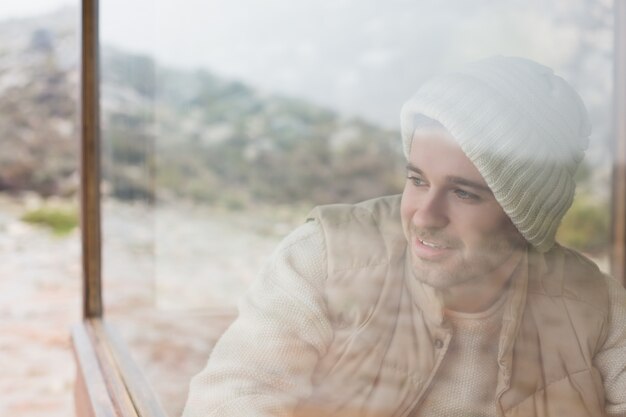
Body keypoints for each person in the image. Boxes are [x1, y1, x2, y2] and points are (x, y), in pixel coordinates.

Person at [182, 56, 626, 417]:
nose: (424, 216)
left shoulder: (597, 307)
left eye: (463, 193)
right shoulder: (325, 258)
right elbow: (234, 397)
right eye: (417, 180)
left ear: (524, 214)